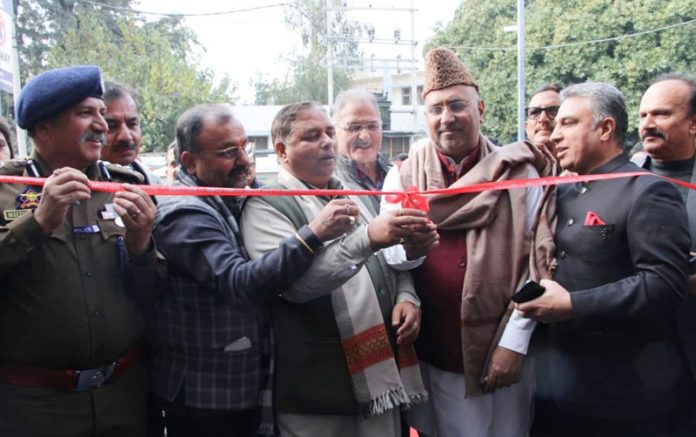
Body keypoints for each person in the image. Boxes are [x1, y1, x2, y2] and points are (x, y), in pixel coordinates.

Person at [149, 103, 356, 437]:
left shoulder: (235, 191)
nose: (244, 159)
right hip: (208, 398)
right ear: (189, 161)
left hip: (247, 384)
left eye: (244, 146)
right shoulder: (182, 213)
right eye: (229, 152)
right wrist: (314, 233)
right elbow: (239, 284)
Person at [381, 47, 554, 437]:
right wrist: (412, 246)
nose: (447, 118)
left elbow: (538, 262)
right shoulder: (405, 175)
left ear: (481, 108)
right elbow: (390, 257)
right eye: (436, 109)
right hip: (441, 351)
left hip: (506, 342)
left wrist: (515, 343)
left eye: (457, 106)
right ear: (425, 117)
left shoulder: (520, 170)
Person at [241, 101, 434, 437]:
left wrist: (407, 294)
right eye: (312, 136)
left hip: (381, 382)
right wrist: (369, 239)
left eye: (329, 132)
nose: (328, 142)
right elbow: (297, 286)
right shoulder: (266, 205)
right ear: (281, 150)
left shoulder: (353, 194)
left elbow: (391, 259)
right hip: (317, 385)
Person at [520, 82, 690, 437]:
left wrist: (572, 305)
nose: (554, 135)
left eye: (568, 123)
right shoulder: (561, 190)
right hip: (556, 388)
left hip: (625, 394)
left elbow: (664, 284)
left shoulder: (646, 191)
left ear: (605, 128)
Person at [0, 65, 163, 436]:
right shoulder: (7, 188)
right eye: (85, 113)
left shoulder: (125, 187)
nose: (102, 125)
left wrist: (141, 245)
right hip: (35, 406)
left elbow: (155, 293)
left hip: (122, 397)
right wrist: (38, 222)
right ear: (44, 128)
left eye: (101, 113)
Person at [635, 73, 696, 434]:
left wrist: (667, 279)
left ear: (693, 124)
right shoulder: (625, 178)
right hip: (640, 363)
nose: (647, 124)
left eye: (660, 114)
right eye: (643, 115)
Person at [333, 88, 391, 213]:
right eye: (354, 128)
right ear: (334, 132)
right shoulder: (329, 184)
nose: (365, 136)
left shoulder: (398, 175)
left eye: (372, 126)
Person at [101, 81, 160, 184]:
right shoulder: (71, 191)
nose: (126, 136)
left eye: (132, 124)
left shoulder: (157, 190)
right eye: (112, 126)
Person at [525, 83, 562, 155]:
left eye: (553, 111)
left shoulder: (585, 164)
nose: (543, 119)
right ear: (526, 128)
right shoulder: (511, 164)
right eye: (535, 112)